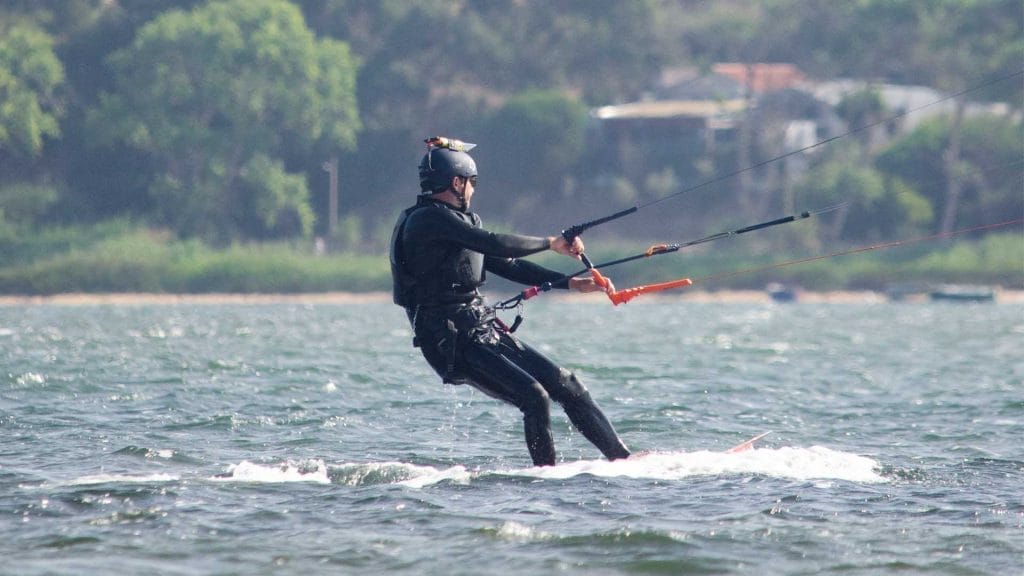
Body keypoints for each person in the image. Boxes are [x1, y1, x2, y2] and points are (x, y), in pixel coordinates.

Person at [390, 137, 631, 467]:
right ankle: (547, 477)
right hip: (450, 341)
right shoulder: (428, 221)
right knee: (534, 396)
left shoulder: (457, 223)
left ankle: (623, 461)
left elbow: (506, 264)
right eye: (472, 183)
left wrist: (572, 283)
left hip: (479, 328)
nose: (473, 190)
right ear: (456, 182)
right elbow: (495, 244)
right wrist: (551, 242)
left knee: (566, 384)